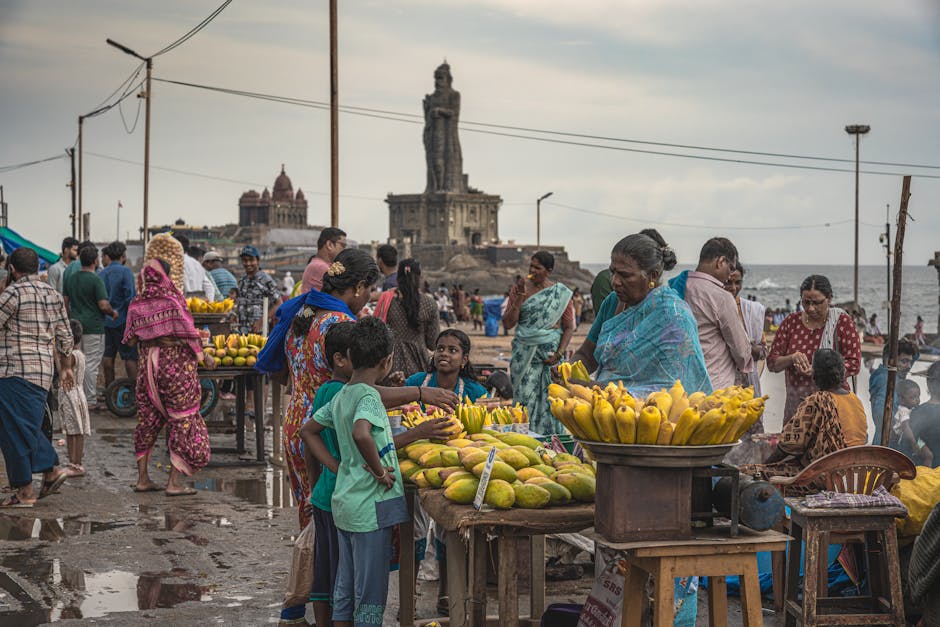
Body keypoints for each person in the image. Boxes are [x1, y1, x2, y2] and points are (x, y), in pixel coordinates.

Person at [299, 317, 411, 627]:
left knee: (345, 589)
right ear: (387, 361)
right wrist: (378, 471)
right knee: (370, 593)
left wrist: (340, 466)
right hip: (369, 510)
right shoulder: (369, 396)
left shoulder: (342, 394)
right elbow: (363, 433)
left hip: (345, 505)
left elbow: (307, 431)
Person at [568, 229, 711, 397]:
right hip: (601, 412)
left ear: (652, 276)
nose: (614, 282)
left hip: (652, 418)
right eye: (612, 272)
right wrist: (567, 369)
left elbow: (675, 389)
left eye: (625, 275)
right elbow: (587, 354)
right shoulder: (613, 302)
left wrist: (597, 389)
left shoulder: (674, 317)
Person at [125, 258, 214, 496]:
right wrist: (202, 355)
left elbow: (131, 339)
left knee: (147, 420)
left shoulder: (136, 303)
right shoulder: (172, 301)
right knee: (182, 419)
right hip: (174, 366)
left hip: (148, 367)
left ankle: (142, 479)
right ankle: (174, 483)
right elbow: (188, 335)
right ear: (165, 275)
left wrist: (151, 333)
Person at [0, 247, 72, 507]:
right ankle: (33, 484)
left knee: (16, 429)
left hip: (14, 370)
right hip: (42, 372)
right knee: (21, 427)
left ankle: (41, 477)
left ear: (12, 269)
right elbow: (66, 335)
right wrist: (66, 366)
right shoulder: (52, 293)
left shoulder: (12, 293)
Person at [741, 349, 867, 483]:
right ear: (842, 374)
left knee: (746, 473)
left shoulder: (817, 401)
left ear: (814, 376)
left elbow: (787, 446)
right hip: (854, 474)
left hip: (826, 477)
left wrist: (764, 466)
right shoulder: (855, 400)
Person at [767, 274, 861, 424]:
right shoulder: (791, 322)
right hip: (797, 407)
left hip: (833, 407)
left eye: (817, 303)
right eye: (806, 302)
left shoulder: (842, 323)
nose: (810, 308)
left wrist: (819, 372)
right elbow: (772, 363)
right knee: (794, 446)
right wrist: (791, 358)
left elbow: (854, 364)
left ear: (829, 299)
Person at [502, 251, 575, 434]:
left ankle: (552, 444)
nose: (532, 270)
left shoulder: (560, 294)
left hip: (551, 359)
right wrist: (519, 296)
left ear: (548, 270)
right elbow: (508, 323)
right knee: (523, 402)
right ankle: (524, 441)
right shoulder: (519, 289)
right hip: (524, 357)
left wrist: (559, 353)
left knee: (553, 402)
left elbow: (568, 327)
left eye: (537, 267)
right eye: (531, 266)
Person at [669, 237, 753, 390]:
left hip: (679, 384)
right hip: (714, 386)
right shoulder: (721, 297)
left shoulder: (675, 286)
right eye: (731, 268)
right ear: (721, 262)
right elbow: (741, 352)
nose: (730, 275)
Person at [63, 243, 118, 409]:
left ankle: (76, 397)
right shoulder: (96, 280)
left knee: (77, 362)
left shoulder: (71, 279)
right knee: (91, 364)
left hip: (76, 327)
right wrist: (113, 313)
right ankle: (90, 400)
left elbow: (65, 303)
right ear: (95, 261)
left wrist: (69, 320)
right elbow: (103, 305)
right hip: (94, 327)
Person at [384, 259, 440, 379]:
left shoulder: (388, 301)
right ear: (420, 277)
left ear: (398, 278)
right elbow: (433, 343)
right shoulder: (429, 303)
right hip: (419, 363)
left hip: (390, 364)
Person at [98, 241, 139, 390]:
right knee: (129, 357)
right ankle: (136, 393)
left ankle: (111, 392)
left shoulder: (102, 273)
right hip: (123, 322)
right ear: (123, 256)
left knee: (108, 357)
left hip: (106, 322)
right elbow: (130, 298)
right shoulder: (125, 272)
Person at [723, 262, 767, 395]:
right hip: (722, 382)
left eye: (738, 282)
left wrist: (756, 351)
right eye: (728, 282)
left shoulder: (751, 310)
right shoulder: (713, 309)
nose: (733, 288)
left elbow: (763, 350)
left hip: (747, 384)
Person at [58, 320, 91, 477]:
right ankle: (75, 463)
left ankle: (75, 464)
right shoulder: (79, 354)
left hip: (72, 395)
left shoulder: (73, 356)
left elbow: (64, 366)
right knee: (76, 431)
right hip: (75, 395)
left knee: (74, 431)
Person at [869, 339, 919, 445]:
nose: (909, 366)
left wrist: (909, 345)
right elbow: (880, 413)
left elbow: (915, 355)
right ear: (889, 360)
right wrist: (896, 429)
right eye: (904, 361)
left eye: (910, 362)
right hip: (887, 442)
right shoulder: (886, 380)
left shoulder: (890, 374)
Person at [235, 245, 281, 335]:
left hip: (259, 332)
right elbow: (240, 302)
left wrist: (262, 320)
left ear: (258, 260)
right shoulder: (242, 280)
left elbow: (278, 303)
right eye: (245, 260)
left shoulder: (266, 279)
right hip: (242, 331)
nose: (248, 263)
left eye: (251, 260)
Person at [911, 362, 940, 468]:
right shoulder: (919, 412)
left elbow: (912, 439)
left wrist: (922, 446)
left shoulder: (918, 412)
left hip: (926, 476)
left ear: (929, 383)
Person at [301, 227, 347, 293]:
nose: (344, 249)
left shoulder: (316, 264)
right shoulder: (320, 267)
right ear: (329, 245)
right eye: (342, 245)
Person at [174, 234, 215, 301]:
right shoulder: (196, 264)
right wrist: (209, 306)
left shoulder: (174, 263)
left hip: (181, 304)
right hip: (196, 305)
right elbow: (209, 287)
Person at [889, 379, 921, 460]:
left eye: (918, 396)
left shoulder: (911, 408)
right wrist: (914, 443)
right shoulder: (903, 410)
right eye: (913, 397)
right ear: (901, 400)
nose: (917, 400)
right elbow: (906, 428)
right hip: (899, 442)